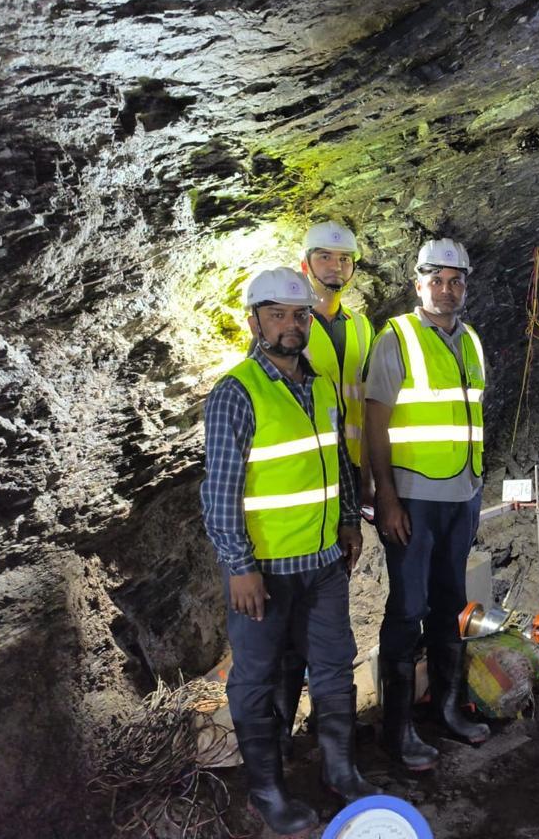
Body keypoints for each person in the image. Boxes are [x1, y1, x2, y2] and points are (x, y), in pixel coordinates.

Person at [200, 267, 377, 835]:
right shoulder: (236, 393)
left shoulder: (322, 386)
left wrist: (348, 523)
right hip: (267, 571)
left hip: (324, 564)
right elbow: (220, 492)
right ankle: (267, 791)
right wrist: (239, 566)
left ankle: (340, 770)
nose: (290, 326)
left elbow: (339, 468)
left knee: (331, 667)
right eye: (277, 315)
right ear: (254, 322)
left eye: (299, 315)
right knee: (254, 677)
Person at [364, 238, 489, 772]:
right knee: (408, 609)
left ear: (465, 286)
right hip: (414, 499)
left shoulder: (473, 342)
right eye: (435, 280)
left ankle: (446, 710)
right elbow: (375, 420)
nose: (446, 290)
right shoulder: (398, 337)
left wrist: (475, 489)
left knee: (449, 606)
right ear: (418, 285)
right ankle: (397, 732)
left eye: (455, 280)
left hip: (462, 494)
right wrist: (386, 497)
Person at [271, 221, 376, 758]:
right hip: (300, 495)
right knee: (288, 632)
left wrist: (361, 494)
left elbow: (367, 411)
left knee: (331, 624)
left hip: (346, 484)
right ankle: (278, 744)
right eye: (325, 257)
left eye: (344, 259)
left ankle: (329, 741)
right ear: (306, 261)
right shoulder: (289, 326)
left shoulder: (359, 328)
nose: (335, 267)